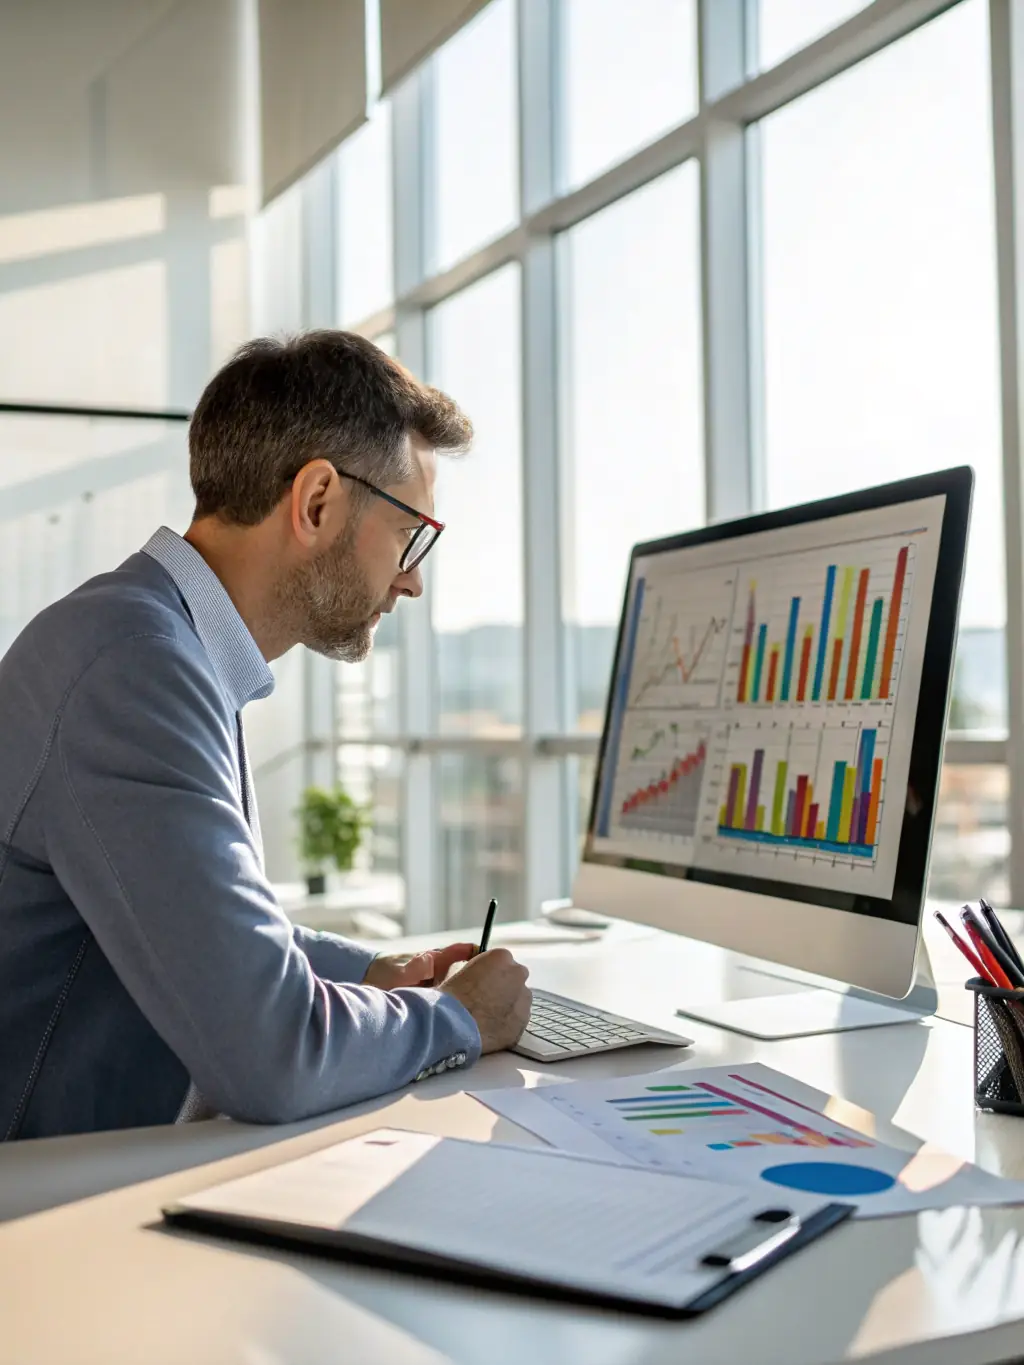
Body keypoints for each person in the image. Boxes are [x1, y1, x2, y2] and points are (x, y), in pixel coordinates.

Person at [0, 331, 532, 1140]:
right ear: (316, 501)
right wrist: (455, 1020)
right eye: (410, 532)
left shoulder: (149, 639)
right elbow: (270, 1051)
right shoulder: (134, 667)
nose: (414, 577)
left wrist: (366, 973)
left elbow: (202, 928)